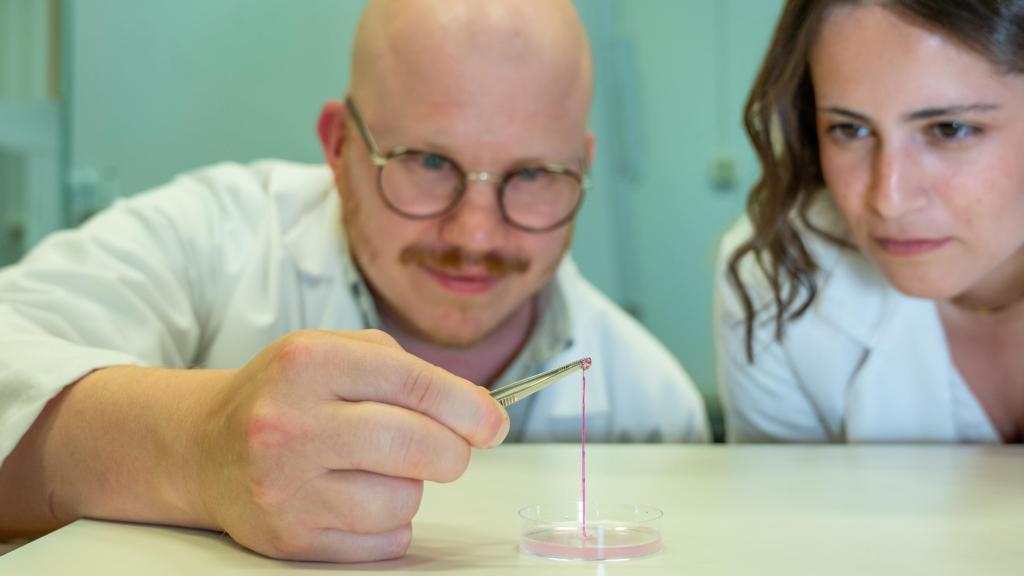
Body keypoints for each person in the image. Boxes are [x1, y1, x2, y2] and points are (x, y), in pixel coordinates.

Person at [0, 0, 709, 563]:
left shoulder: (654, 404)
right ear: (339, 146)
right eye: (428, 162)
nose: (475, 236)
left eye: (532, 175)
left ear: (581, 167)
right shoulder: (212, 239)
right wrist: (199, 448)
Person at [716, 0, 1024, 443]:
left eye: (949, 129)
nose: (888, 202)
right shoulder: (777, 274)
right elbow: (784, 491)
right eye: (849, 129)